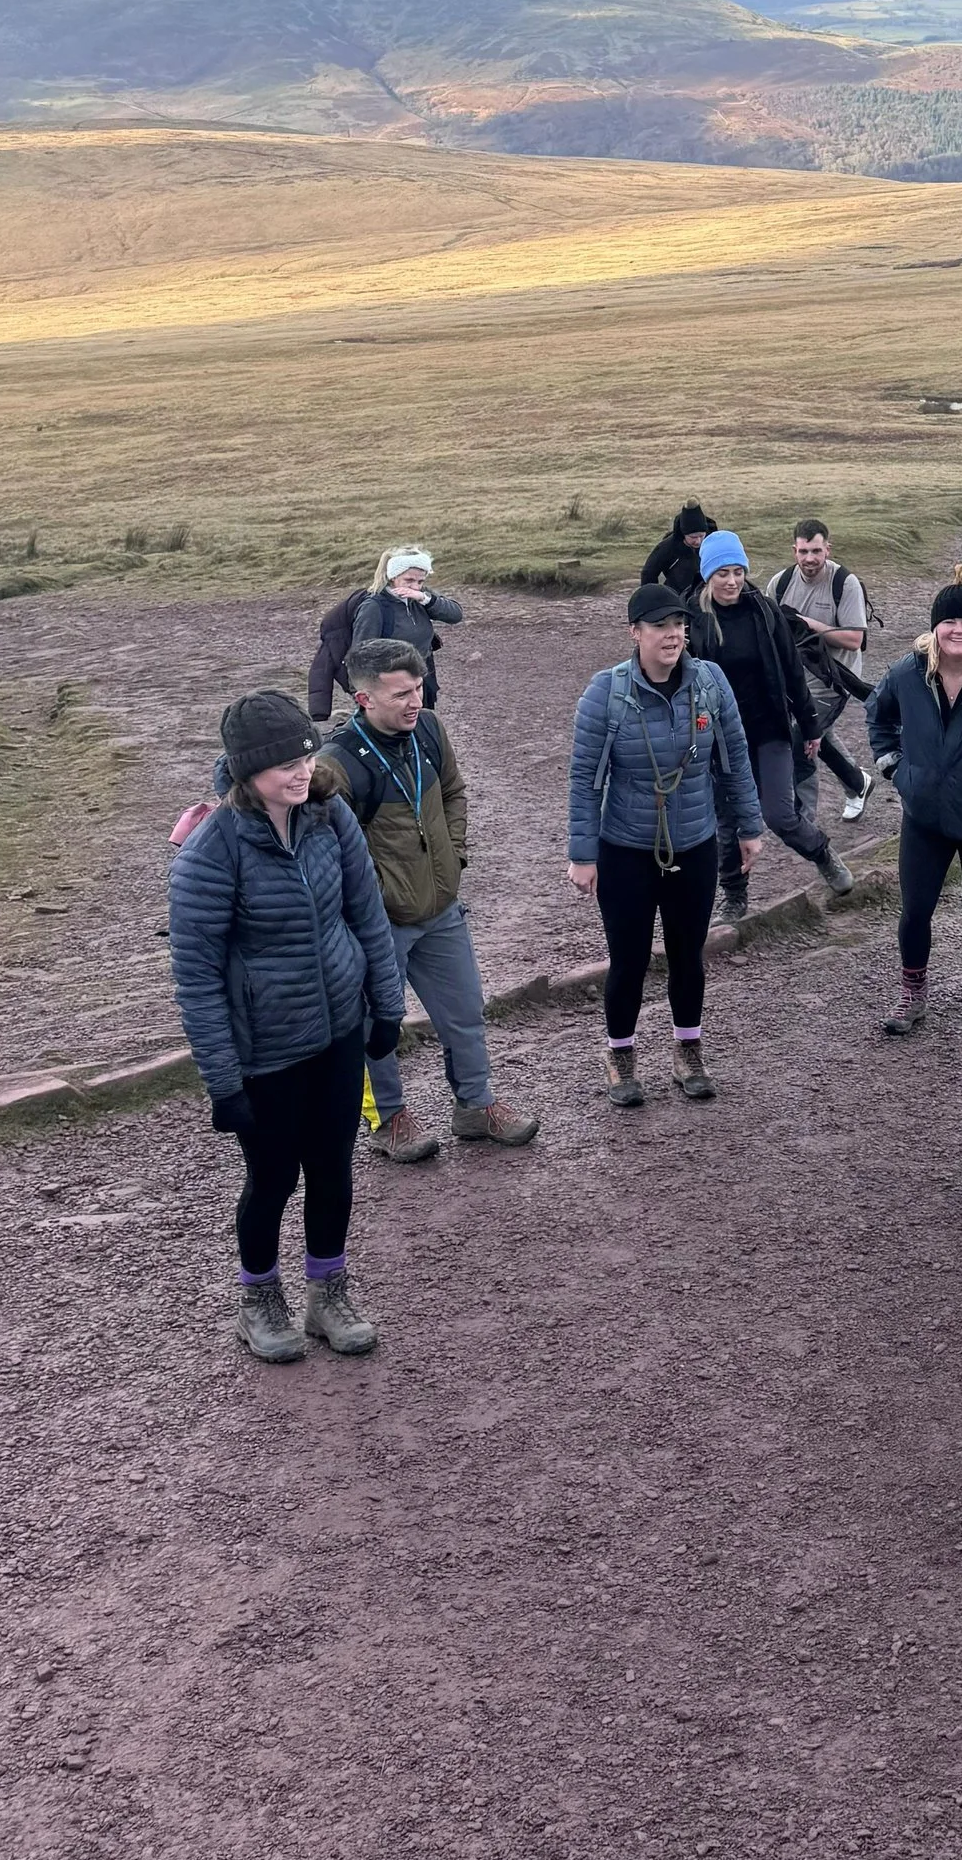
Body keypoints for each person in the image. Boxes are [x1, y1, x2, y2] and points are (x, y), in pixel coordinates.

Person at [169, 689, 406, 1364]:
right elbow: (197, 978)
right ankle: (259, 1298)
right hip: (264, 1052)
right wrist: (223, 1081)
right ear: (245, 772)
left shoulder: (330, 816)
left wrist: (384, 1006)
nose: (301, 770)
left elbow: (367, 915)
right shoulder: (210, 853)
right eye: (282, 764)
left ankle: (328, 1291)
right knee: (271, 1178)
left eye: (305, 753)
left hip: (337, 1032)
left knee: (333, 1168)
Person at [316, 638, 540, 1164]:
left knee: (464, 1012)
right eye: (400, 694)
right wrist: (382, 897)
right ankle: (388, 1119)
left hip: (441, 910)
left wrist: (454, 857)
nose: (415, 701)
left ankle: (476, 1106)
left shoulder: (431, 730)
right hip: (379, 926)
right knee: (377, 1025)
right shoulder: (337, 765)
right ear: (363, 699)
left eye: (417, 688)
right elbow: (335, 854)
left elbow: (455, 792)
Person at [568, 583, 765, 1106]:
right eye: (660, 626)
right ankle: (621, 1055)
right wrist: (583, 855)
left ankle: (687, 1051)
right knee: (628, 959)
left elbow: (736, 758)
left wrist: (749, 826)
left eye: (678, 624)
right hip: (625, 850)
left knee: (687, 956)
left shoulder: (710, 682)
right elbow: (585, 779)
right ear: (635, 633)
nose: (673, 635)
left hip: (696, 843)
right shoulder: (603, 694)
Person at [863, 564, 962, 1038]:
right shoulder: (908, 674)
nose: (958, 630)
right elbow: (878, 715)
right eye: (948, 622)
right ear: (935, 628)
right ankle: (912, 994)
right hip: (924, 816)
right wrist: (894, 767)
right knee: (914, 911)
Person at [688, 531, 855, 917]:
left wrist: (811, 726)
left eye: (737, 571)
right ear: (707, 576)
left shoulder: (765, 611)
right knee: (726, 822)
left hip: (769, 728)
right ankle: (734, 897)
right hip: (720, 740)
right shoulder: (693, 620)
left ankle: (824, 854)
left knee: (778, 812)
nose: (731, 581)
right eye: (722, 573)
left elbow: (792, 671)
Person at [768, 518, 874, 819]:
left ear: (828, 548)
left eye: (816, 551)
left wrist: (809, 626)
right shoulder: (779, 584)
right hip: (796, 678)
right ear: (794, 551)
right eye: (803, 552)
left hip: (837, 679)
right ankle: (857, 782)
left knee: (802, 738)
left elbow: (854, 640)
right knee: (815, 733)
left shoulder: (845, 583)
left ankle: (801, 817)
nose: (810, 559)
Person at [309, 544, 463, 718]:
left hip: (421, 680)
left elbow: (455, 615)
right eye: (409, 580)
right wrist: (365, 696)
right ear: (393, 577)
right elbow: (360, 653)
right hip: (389, 687)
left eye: (420, 581)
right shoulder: (374, 607)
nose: (415, 587)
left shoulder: (419, 598)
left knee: (421, 734)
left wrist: (425, 599)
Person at [639, 502, 718, 599]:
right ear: (683, 534)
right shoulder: (667, 547)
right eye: (693, 537)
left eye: (701, 536)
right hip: (676, 596)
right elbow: (648, 573)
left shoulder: (713, 542)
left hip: (708, 595)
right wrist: (651, 598)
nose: (698, 541)